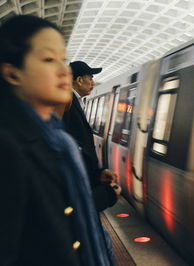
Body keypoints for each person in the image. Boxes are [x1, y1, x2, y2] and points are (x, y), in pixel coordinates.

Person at [0, 15, 112, 265]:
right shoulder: (8, 147)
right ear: (13, 73)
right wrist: (105, 195)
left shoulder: (56, 141)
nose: (64, 70)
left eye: (63, 59)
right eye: (49, 59)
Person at [63, 61, 121, 212]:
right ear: (79, 80)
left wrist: (98, 175)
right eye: (90, 78)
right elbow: (76, 152)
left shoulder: (75, 103)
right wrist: (102, 194)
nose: (93, 83)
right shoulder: (67, 105)